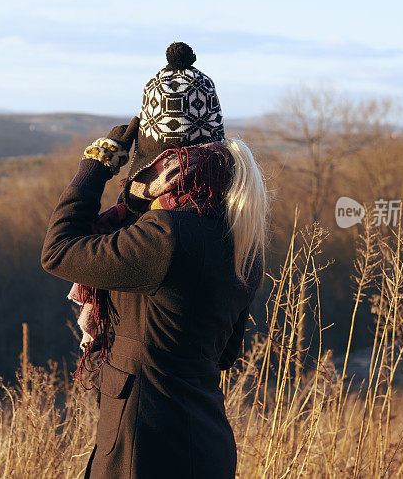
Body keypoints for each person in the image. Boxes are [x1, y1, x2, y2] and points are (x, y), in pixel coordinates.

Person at [41, 42, 267, 478]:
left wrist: (97, 163)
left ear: (159, 164)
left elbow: (58, 249)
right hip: (204, 444)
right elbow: (225, 352)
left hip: (142, 451)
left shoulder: (164, 237)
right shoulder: (241, 233)